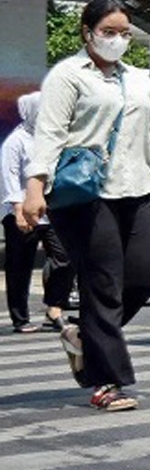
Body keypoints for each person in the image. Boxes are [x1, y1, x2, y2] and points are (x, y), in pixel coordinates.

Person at [23, 0, 150, 412]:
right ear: (88, 33)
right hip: (84, 196)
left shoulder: (138, 80)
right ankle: (106, 382)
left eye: (124, 33)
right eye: (108, 32)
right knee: (103, 284)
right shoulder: (68, 76)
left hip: (135, 190)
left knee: (140, 279)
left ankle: (82, 338)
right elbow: (50, 133)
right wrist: (34, 186)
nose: (117, 40)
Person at [2, 92, 75, 333]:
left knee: (65, 257)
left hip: (51, 210)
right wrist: (17, 210)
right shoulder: (16, 141)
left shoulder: (51, 139)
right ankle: (20, 318)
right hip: (21, 210)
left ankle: (54, 306)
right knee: (20, 266)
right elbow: (9, 177)